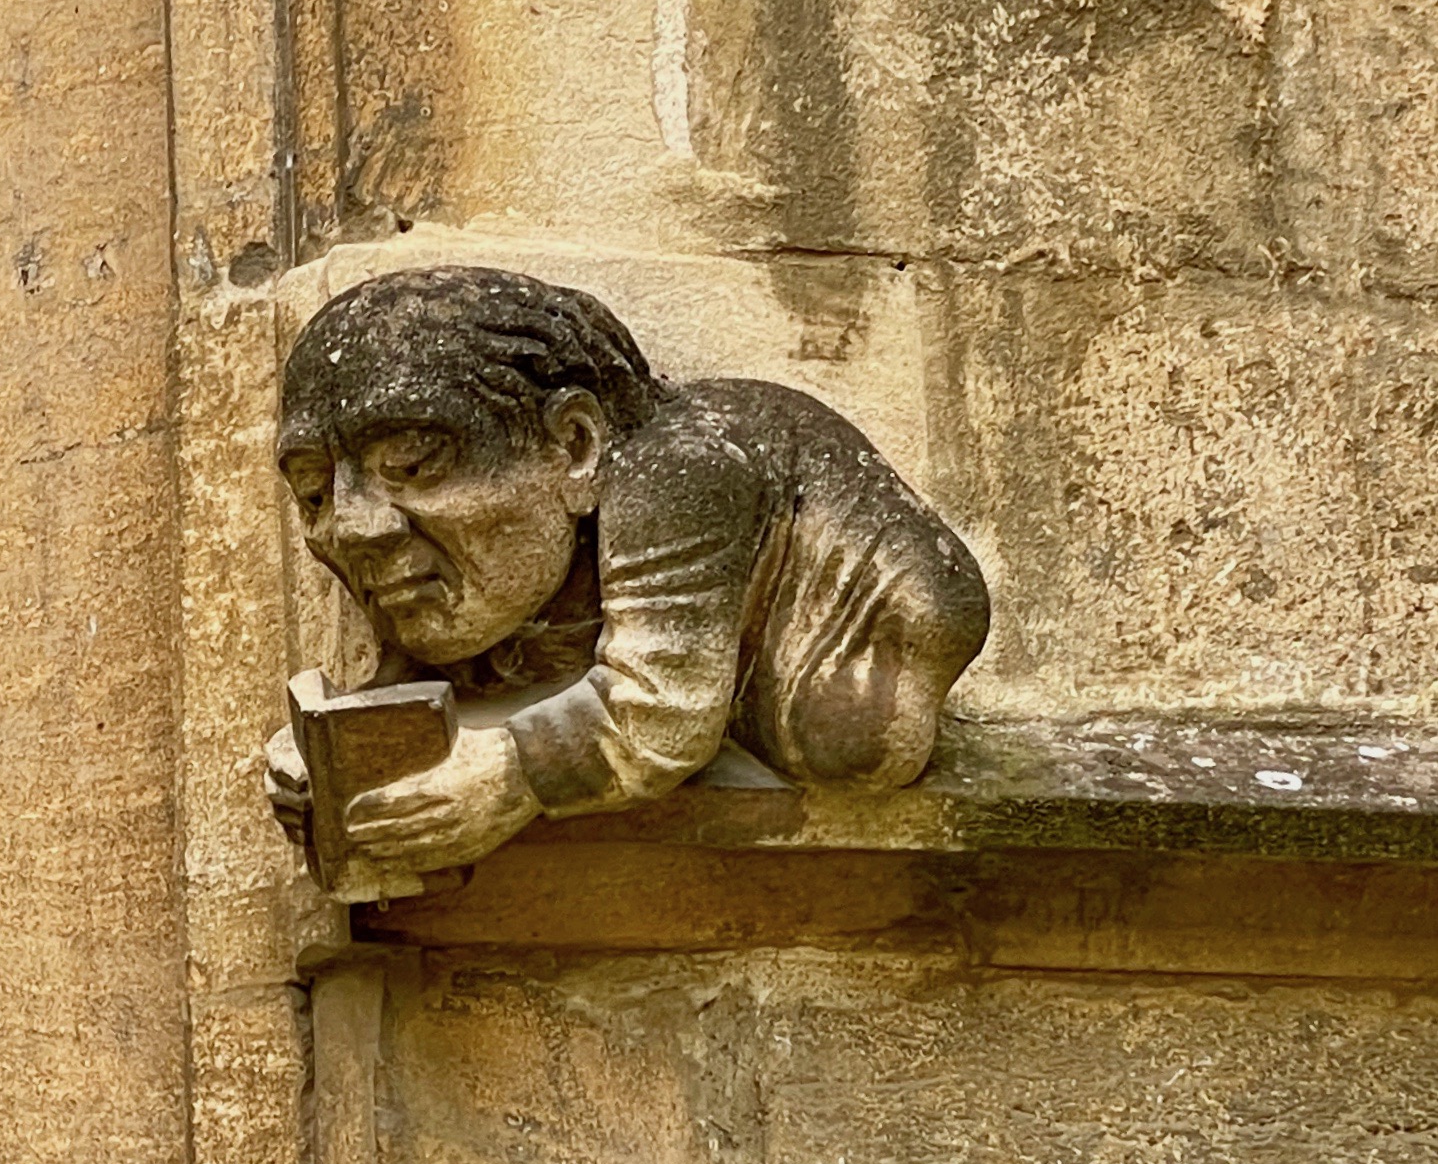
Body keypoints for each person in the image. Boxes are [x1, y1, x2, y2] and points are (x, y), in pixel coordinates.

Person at [266, 265, 989, 877]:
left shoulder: (678, 469)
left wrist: (511, 778)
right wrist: (333, 760)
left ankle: (719, 684)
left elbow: (663, 711)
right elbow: (414, 679)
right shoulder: (475, 569)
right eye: (315, 491)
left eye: (416, 465)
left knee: (848, 739)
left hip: (855, 611)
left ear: (575, 448)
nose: (353, 526)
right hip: (664, 641)